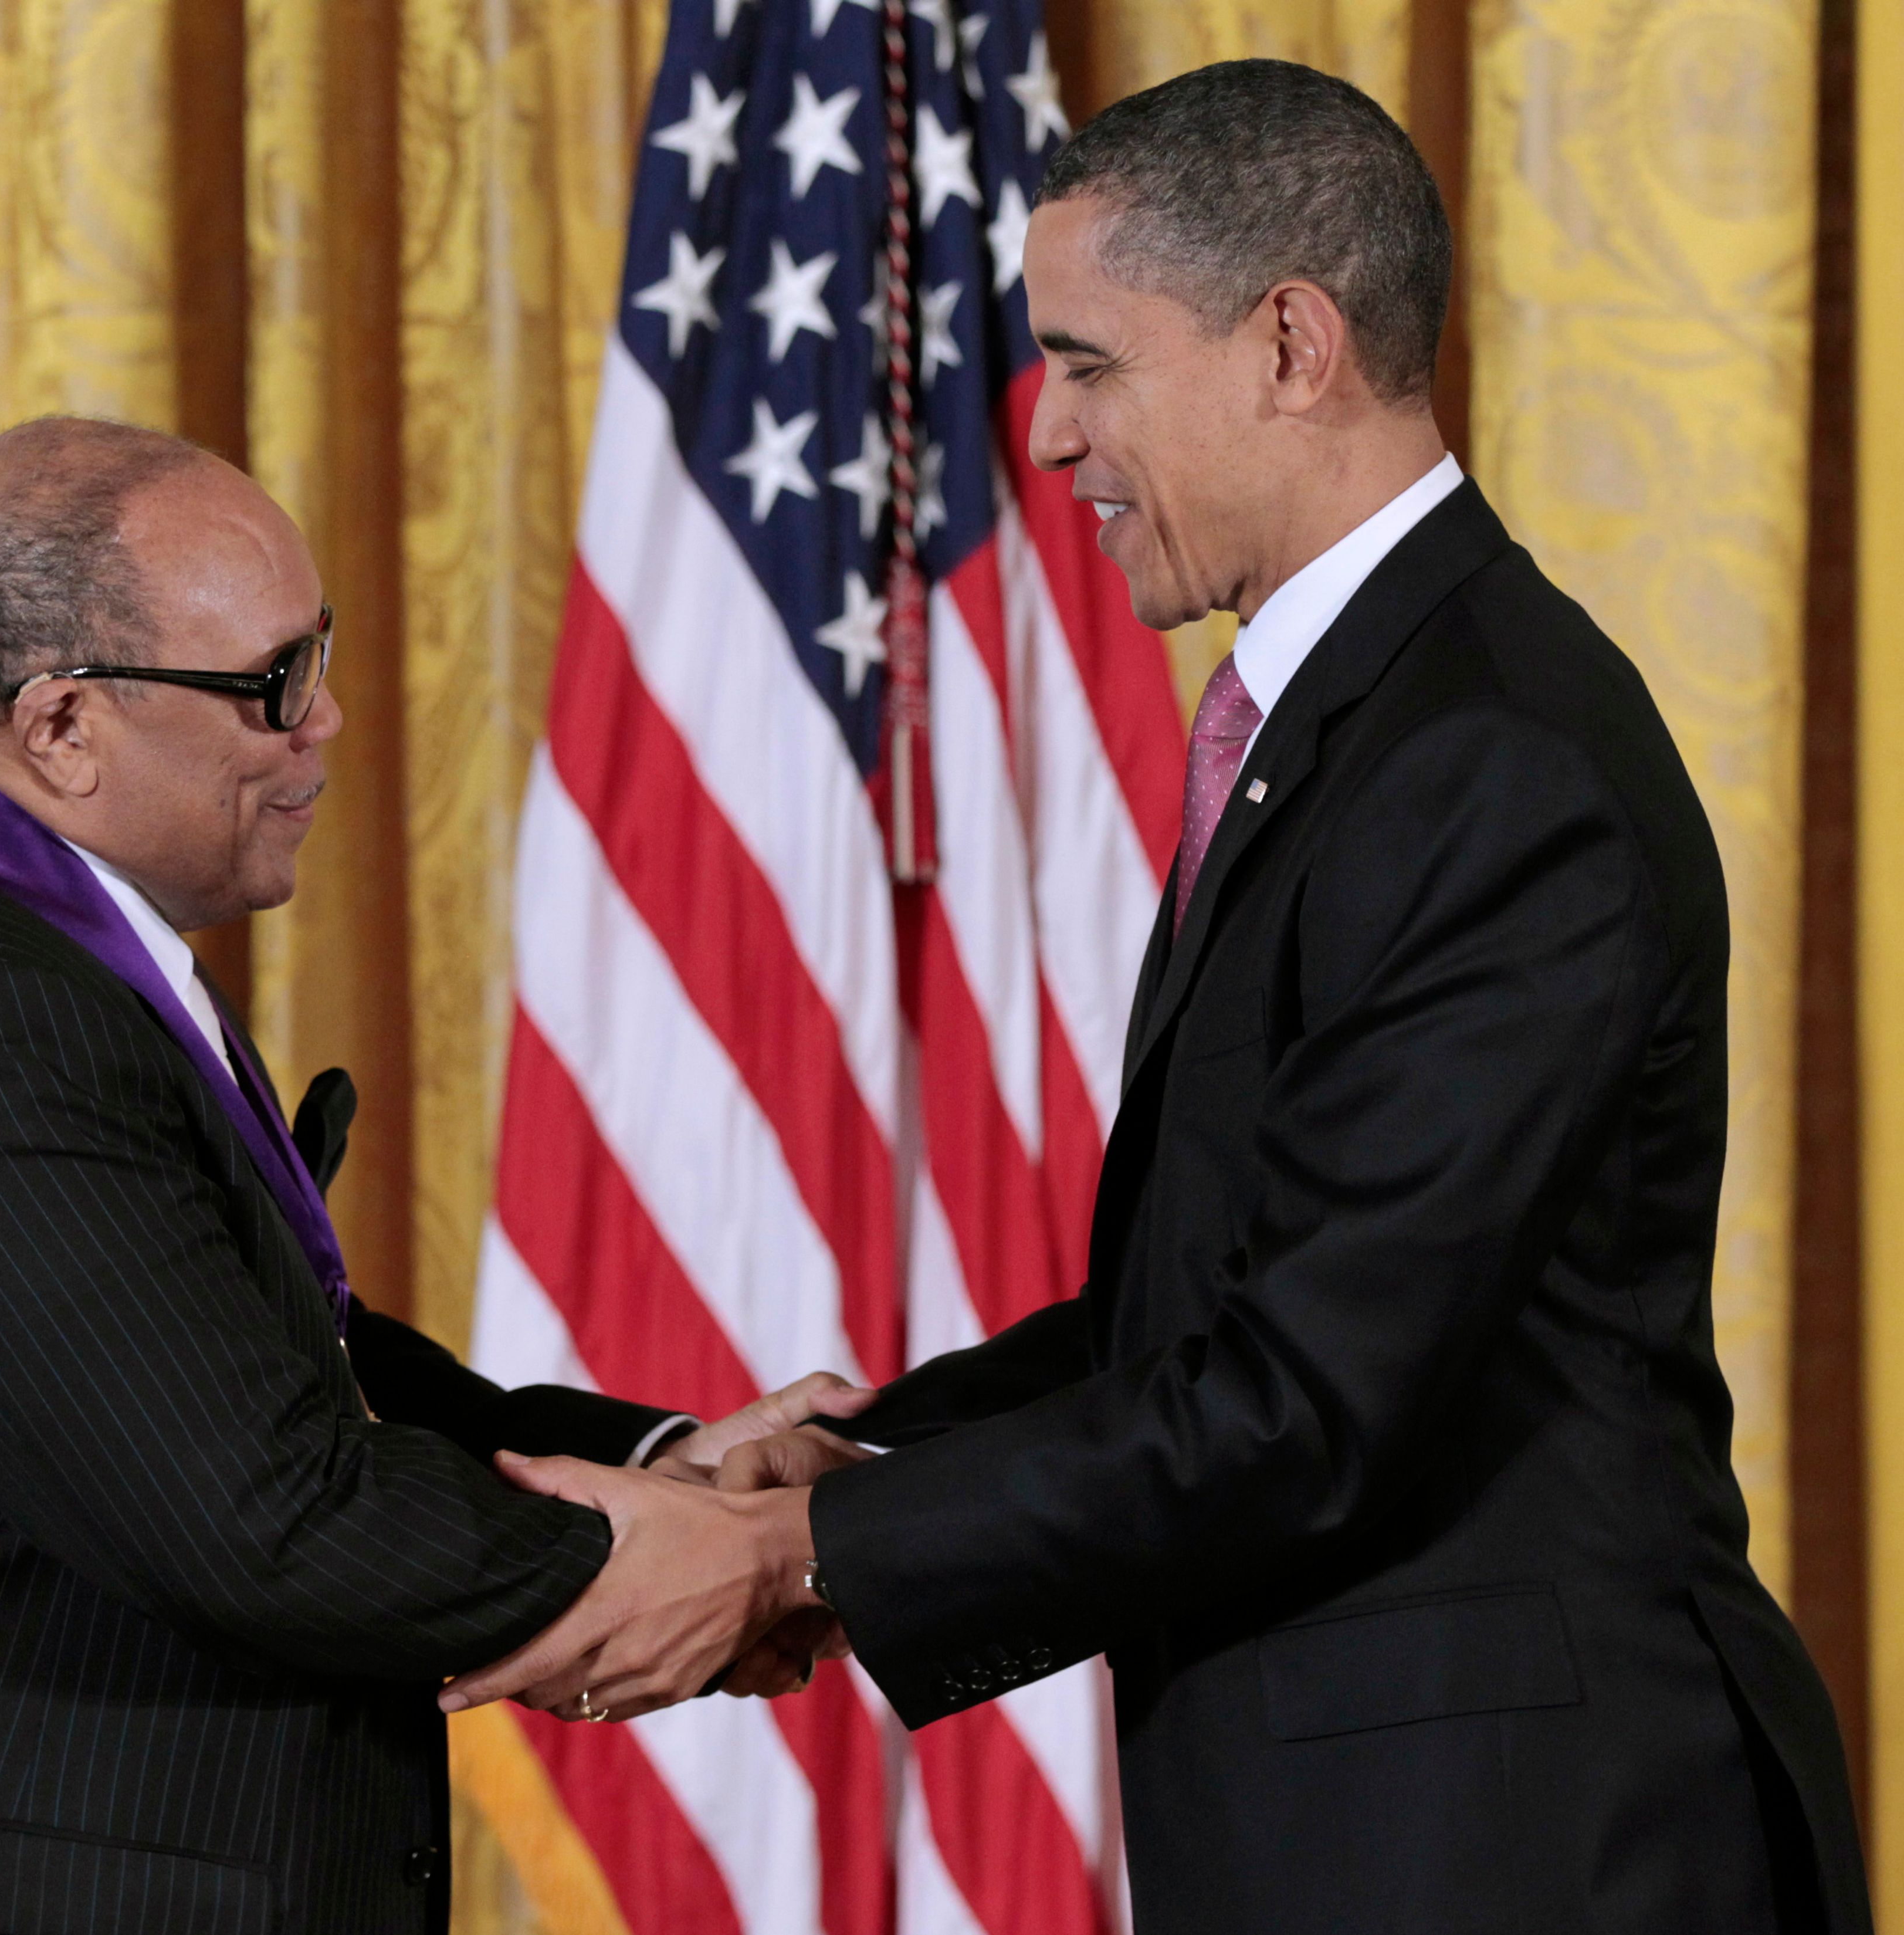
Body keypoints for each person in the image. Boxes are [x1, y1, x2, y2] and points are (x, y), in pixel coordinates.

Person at [438, 59, 1874, 1934]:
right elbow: (1202, 1305)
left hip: (1525, 1844)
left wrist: (803, 1549)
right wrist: (864, 1455)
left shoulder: (1495, 759)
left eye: (1091, 363)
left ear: (1292, 342)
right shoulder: (1359, 727)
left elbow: (1303, 1398)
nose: (1046, 439)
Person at [0, 416, 865, 1930]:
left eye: (323, 653)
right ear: (63, 727)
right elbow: (263, 1509)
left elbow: (245, 1352)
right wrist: (728, 1557)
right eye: (273, 684)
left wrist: (662, 1466)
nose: (330, 720)